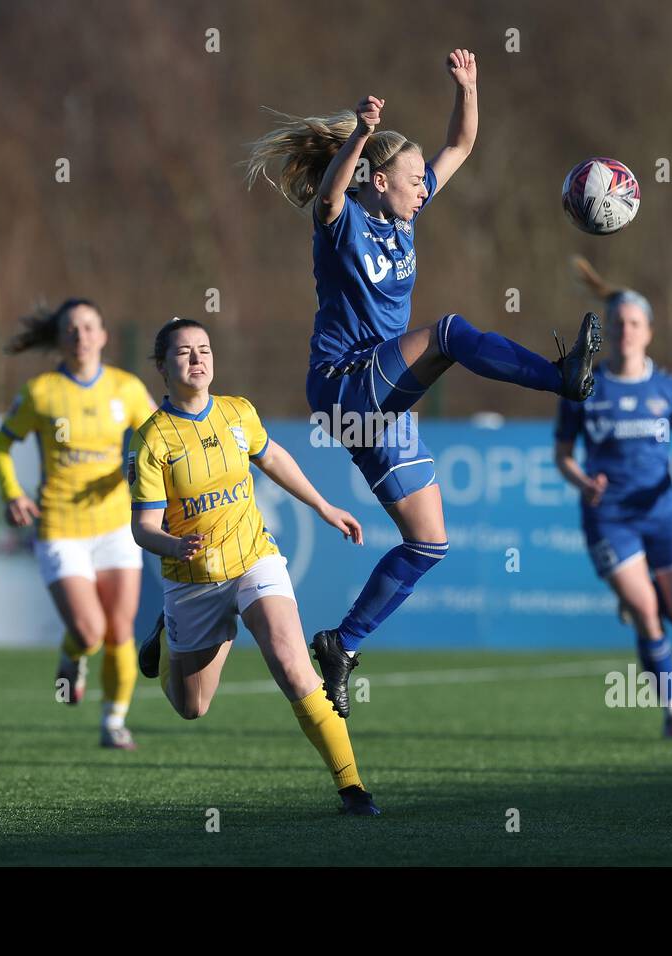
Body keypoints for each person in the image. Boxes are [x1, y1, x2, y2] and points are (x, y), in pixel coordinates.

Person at [244, 49, 602, 717]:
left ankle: (342, 644)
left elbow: (460, 144)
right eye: (411, 179)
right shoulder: (344, 219)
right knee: (447, 334)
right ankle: (561, 378)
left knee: (429, 543)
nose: (422, 188)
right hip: (344, 383)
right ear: (377, 181)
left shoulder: (404, 214)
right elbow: (326, 198)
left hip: (382, 398)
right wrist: (356, 135)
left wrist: (468, 88)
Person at [129, 318, 379, 815]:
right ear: (161, 367)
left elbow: (272, 456)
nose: (198, 359)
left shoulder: (237, 412)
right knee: (192, 707)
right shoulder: (152, 440)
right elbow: (143, 528)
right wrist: (173, 547)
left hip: (253, 559)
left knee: (291, 663)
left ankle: (352, 787)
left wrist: (323, 506)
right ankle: (164, 642)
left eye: (204, 349)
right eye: (183, 352)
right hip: (192, 580)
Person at [554, 255, 672, 741]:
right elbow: (562, 454)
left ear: (648, 332)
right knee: (647, 611)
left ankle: (641, 597)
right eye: (618, 323)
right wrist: (584, 482)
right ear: (608, 330)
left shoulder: (668, 389)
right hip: (609, 519)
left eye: (634, 323)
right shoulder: (585, 385)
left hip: (662, 514)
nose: (625, 331)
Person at [0, 299, 156, 749]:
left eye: (89, 326)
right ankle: (71, 654)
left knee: (120, 631)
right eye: (71, 328)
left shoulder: (125, 388)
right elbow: (0, 445)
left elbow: (159, 436)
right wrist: (12, 494)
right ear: (61, 339)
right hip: (60, 527)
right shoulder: (42, 392)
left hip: (117, 525)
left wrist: (139, 466)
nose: (81, 335)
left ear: (103, 336)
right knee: (89, 632)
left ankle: (113, 722)